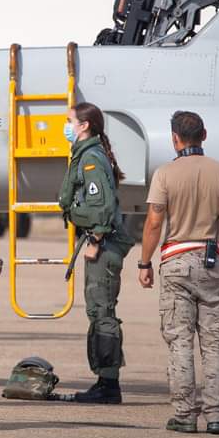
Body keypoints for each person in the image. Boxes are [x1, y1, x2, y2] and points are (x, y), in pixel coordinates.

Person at [138, 111, 219, 435]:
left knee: (179, 341)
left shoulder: (165, 174)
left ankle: (185, 415)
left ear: (175, 138)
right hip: (213, 262)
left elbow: (154, 222)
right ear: (204, 134)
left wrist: (144, 263)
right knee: (214, 343)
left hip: (175, 263)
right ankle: (216, 416)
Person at [58, 102, 134, 404]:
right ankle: (105, 381)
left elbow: (101, 208)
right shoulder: (90, 154)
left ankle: (108, 385)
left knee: (102, 313)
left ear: (84, 125)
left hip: (103, 245)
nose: (66, 126)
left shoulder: (90, 158)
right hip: (100, 242)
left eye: (69, 121)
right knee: (99, 310)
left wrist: (96, 238)